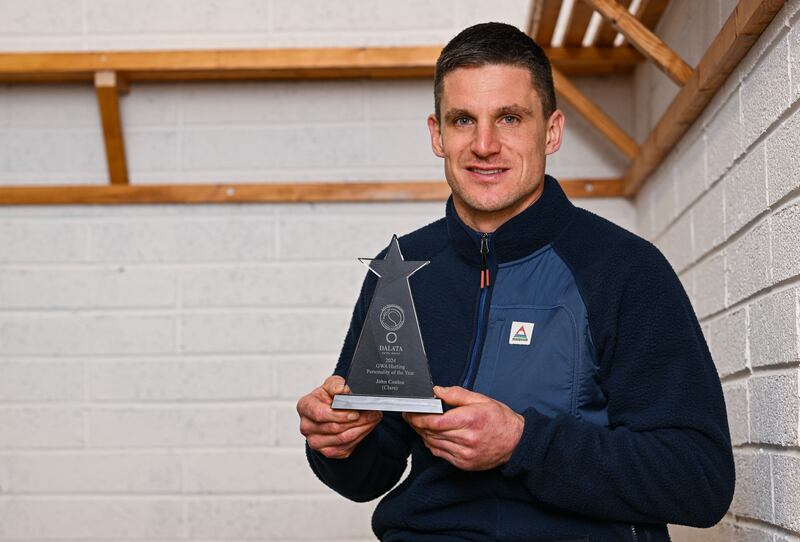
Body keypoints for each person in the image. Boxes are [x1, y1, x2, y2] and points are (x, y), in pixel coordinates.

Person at [296, 22, 734, 542]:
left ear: (551, 131)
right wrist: (338, 440)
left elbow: (699, 480)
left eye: (509, 118)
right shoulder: (401, 270)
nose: (484, 145)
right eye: (463, 120)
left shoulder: (626, 270)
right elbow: (369, 476)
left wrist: (523, 444)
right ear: (437, 135)